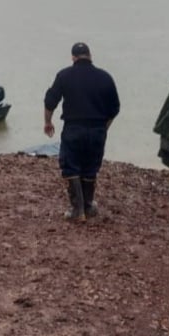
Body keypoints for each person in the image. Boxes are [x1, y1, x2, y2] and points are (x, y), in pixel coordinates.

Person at [44, 42, 120, 221]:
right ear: (90, 55)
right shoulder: (105, 77)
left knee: (71, 166)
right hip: (97, 129)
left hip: (73, 128)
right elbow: (115, 108)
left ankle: (77, 210)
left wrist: (48, 121)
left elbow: (50, 100)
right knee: (90, 167)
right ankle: (88, 206)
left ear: (73, 58)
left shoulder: (64, 75)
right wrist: (104, 128)